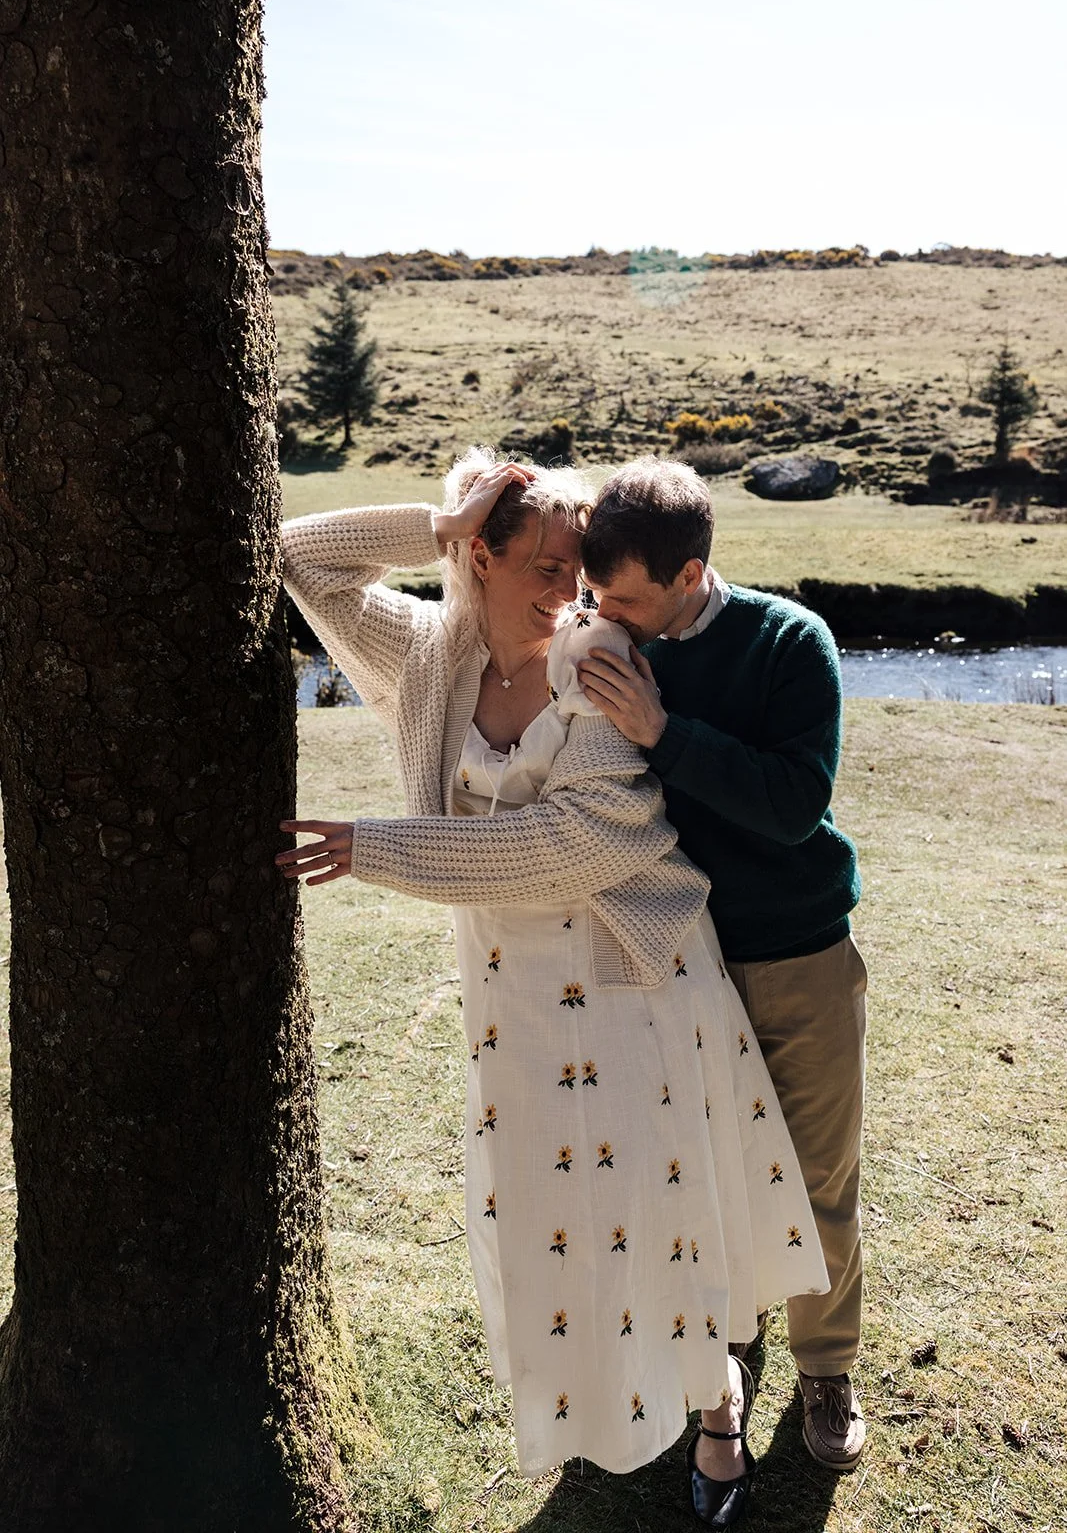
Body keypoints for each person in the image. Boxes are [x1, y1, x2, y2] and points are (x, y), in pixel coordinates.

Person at [275, 448, 828, 1522]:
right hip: (509, 1001)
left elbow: (575, 842)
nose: (566, 591)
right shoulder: (427, 655)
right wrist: (438, 521)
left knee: (651, 1211)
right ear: (476, 559)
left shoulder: (598, 660)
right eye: (538, 565)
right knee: (548, 1216)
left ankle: (713, 1409)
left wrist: (376, 849)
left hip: (631, 982)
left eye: (576, 568)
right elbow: (300, 559)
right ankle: (598, 1414)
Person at [576, 458, 867, 1473]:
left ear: (690, 573)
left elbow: (793, 806)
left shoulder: (791, 643)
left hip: (796, 949)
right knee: (701, 1171)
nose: (599, 614)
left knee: (817, 1168)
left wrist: (662, 731)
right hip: (678, 963)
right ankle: (719, 1358)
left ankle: (824, 1367)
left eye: (621, 598)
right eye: (590, 592)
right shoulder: (607, 638)